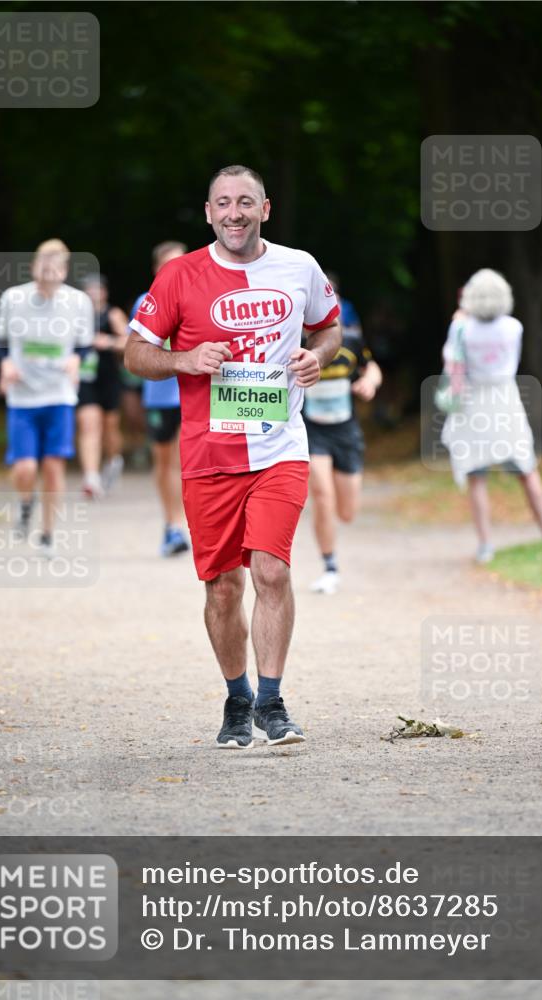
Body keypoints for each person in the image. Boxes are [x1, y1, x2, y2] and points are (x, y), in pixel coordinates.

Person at [125, 164, 341, 748]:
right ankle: (238, 697)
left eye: (246, 201)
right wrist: (184, 360)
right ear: (208, 212)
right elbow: (134, 352)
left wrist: (318, 356)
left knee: (271, 569)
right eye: (224, 203)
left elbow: (329, 328)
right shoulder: (178, 275)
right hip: (208, 456)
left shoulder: (299, 266)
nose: (234, 212)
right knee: (222, 586)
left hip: (281, 447)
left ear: (265, 208)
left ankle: (272, 703)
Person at [440, 268, 542, 564]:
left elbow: (452, 366)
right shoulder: (514, 327)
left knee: (477, 476)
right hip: (506, 401)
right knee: (526, 470)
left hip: (473, 404)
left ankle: (486, 544)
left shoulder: (461, 328)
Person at [0, 239, 94, 555]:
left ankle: (47, 534)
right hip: (23, 396)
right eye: (42, 266)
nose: (47, 273)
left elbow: (84, 342)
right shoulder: (14, 298)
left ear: (64, 271)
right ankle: (26, 501)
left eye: (54, 268)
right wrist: (6, 364)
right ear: (33, 266)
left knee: (53, 467)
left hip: (59, 393)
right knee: (24, 469)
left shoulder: (78, 302)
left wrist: (76, 359)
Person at [303, 273, 382, 594]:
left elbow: (371, 366)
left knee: (346, 512)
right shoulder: (295, 343)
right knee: (322, 495)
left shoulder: (350, 340)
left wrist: (371, 382)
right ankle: (330, 565)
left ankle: (332, 540)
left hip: (346, 431)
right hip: (312, 431)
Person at [130, 242, 190, 555]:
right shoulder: (145, 302)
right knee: (165, 464)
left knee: (187, 463)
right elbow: (137, 352)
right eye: (168, 265)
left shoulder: (200, 299)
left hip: (193, 394)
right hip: (160, 397)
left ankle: (186, 524)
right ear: (157, 270)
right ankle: (171, 526)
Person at [77, 274, 129, 498]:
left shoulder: (113, 314)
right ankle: (91, 478)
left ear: (104, 292)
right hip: (85, 378)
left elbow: (130, 342)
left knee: (110, 427)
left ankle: (114, 459)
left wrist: (106, 342)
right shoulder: (75, 317)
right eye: (89, 290)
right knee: (89, 425)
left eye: (97, 290)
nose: (93, 294)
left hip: (109, 377)